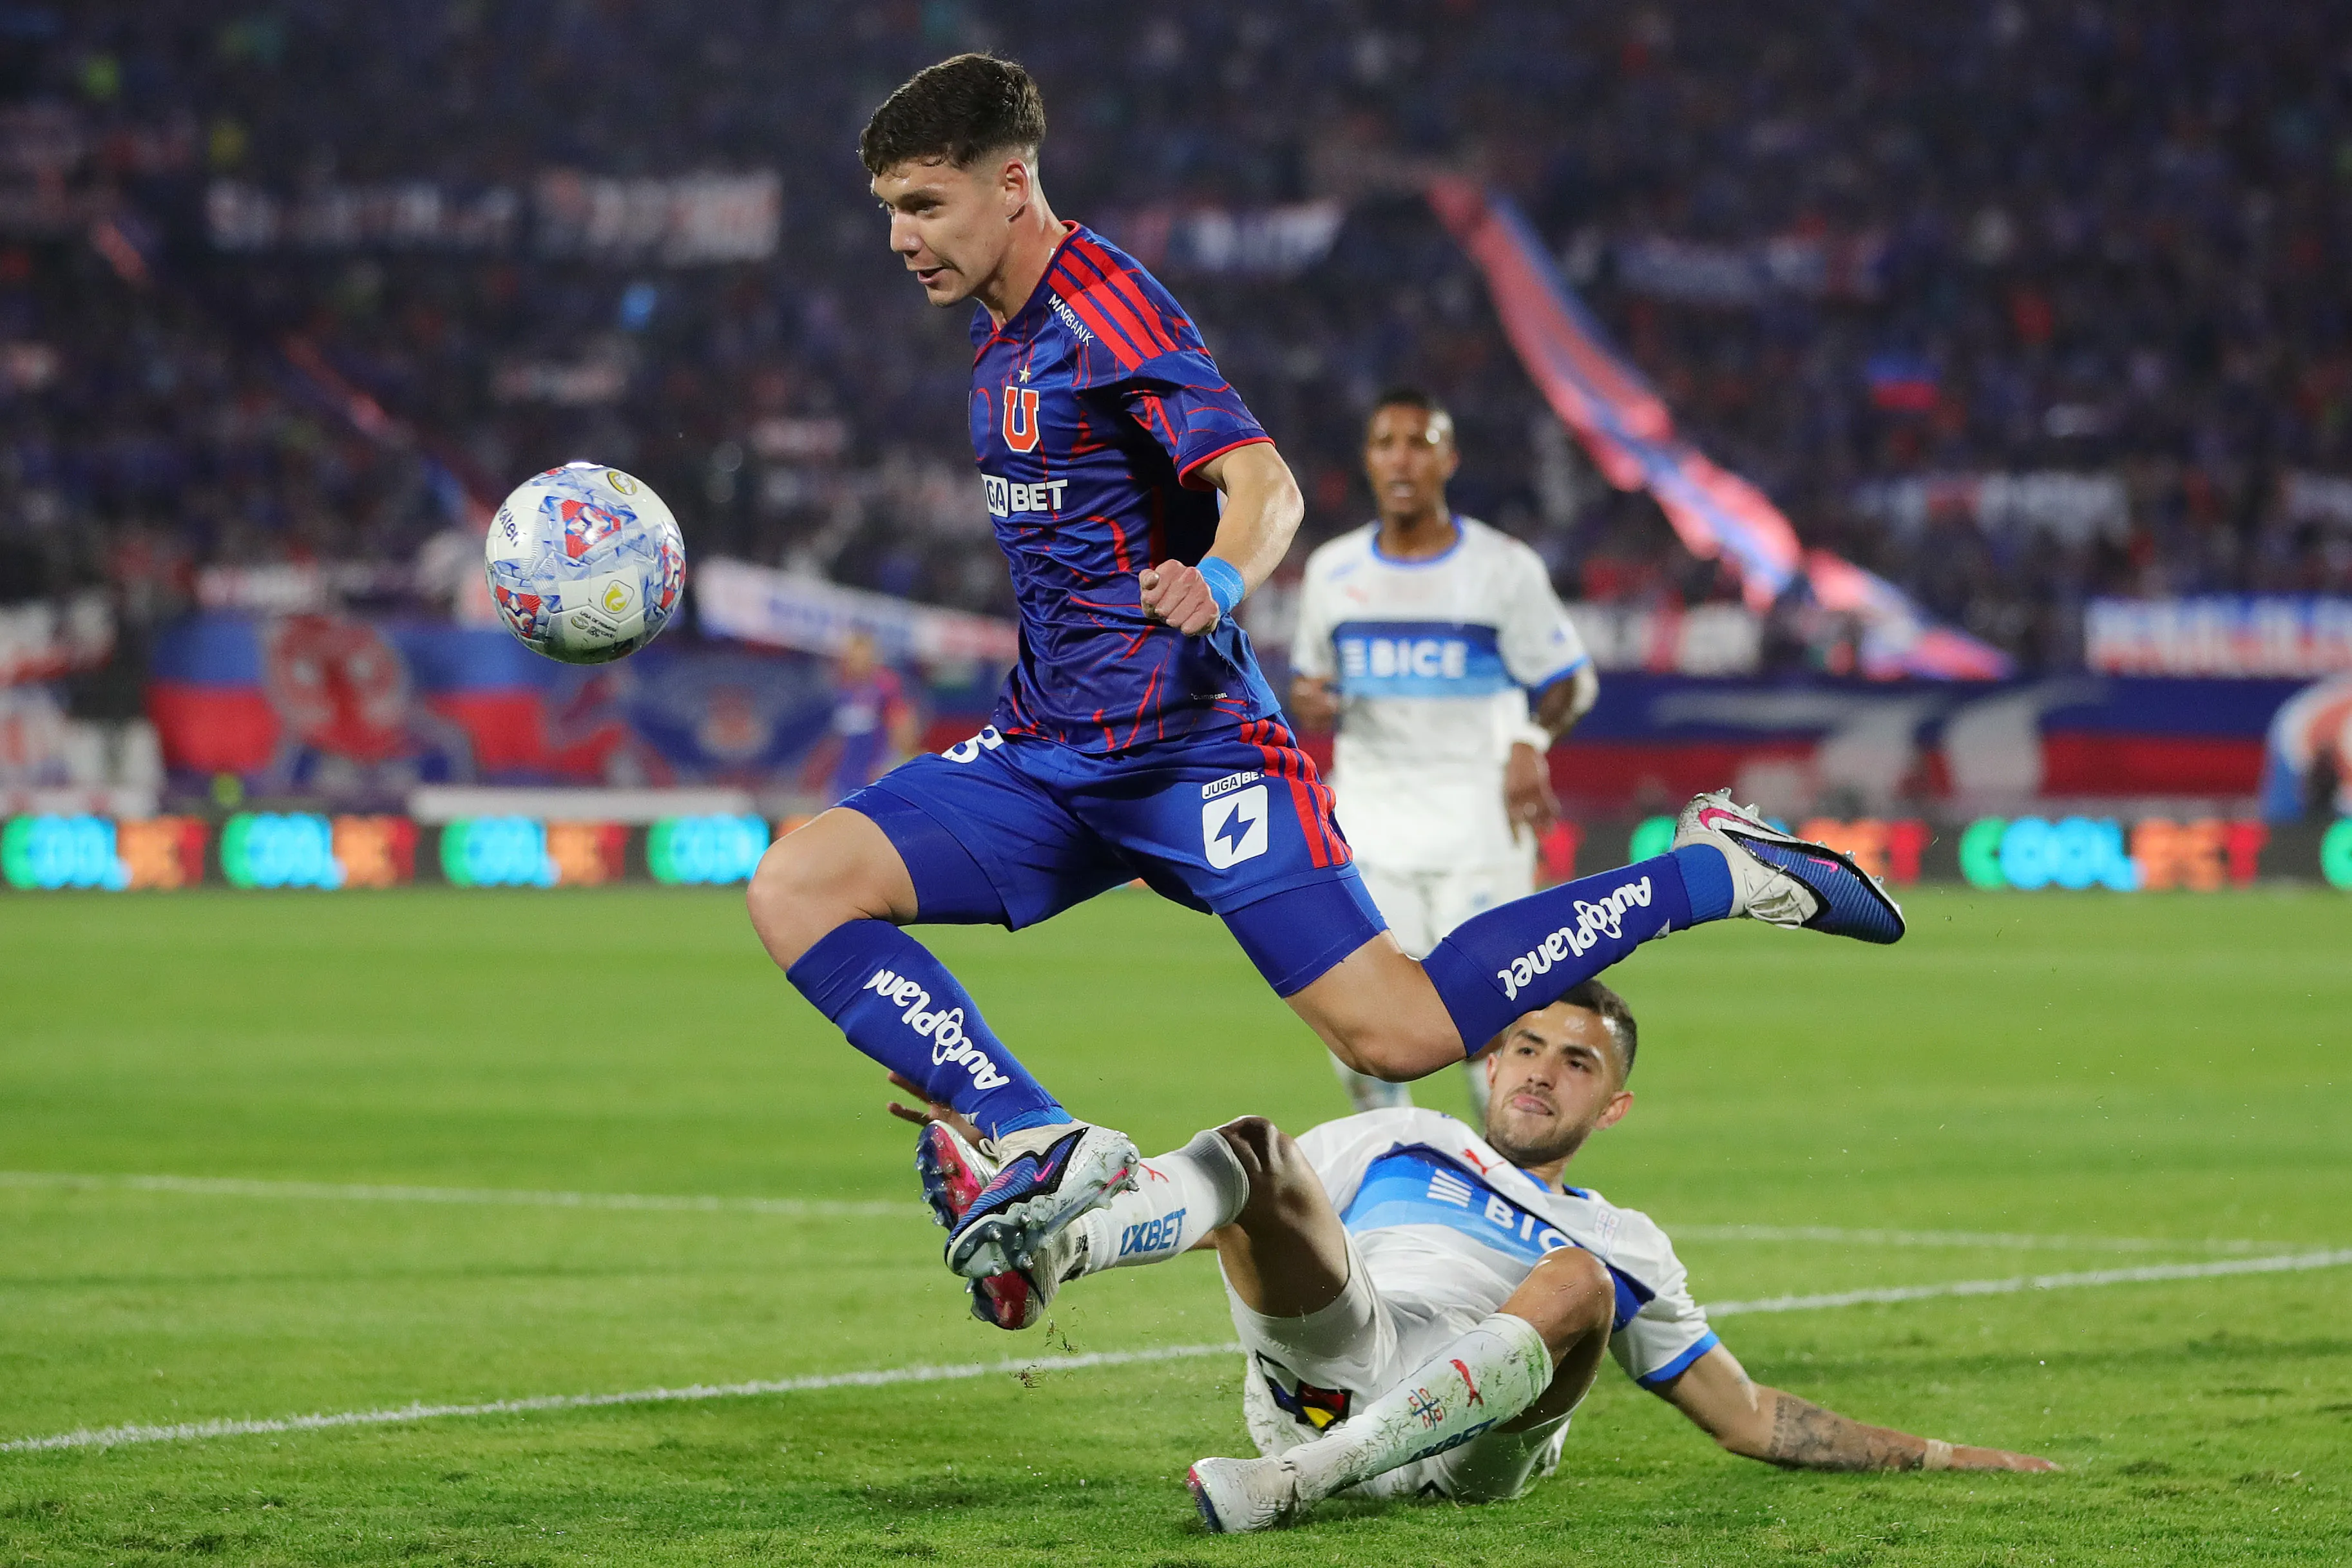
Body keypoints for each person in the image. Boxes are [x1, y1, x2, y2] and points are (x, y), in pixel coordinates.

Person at [745, 53, 1906, 1326]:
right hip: (1048, 753)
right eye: (890, 211)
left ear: (1011, 184)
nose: (901, 238)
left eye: (925, 204)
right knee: (798, 883)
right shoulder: (997, 335)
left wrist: (1219, 576)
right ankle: (1032, 1131)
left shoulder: (1106, 306)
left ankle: (1712, 871)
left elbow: (1266, 484)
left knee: (1394, 1035)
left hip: (1192, 754)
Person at [897, 981, 2058, 1533]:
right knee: (1254, 1148)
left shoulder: (1621, 1237)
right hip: (1337, 1357)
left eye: (1577, 1061)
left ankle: (1302, 1483)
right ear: (1488, 1063)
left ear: (1612, 1105)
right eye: (1524, 1045)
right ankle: (1049, 1246)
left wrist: (1944, 1454)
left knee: (1578, 1284)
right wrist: (1027, 1152)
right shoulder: (1403, 1134)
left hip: (1477, 1441)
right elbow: (1224, 1213)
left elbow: (1748, 1415)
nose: (1541, 1069)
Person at [1290, 388, 1598, 1120]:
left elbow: (1570, 681)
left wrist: (1529, 742)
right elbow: (1309, 683)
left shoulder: (1502, 568)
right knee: (1361, 1035)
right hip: (1369, 834)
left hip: (1479, 834)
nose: (1402, 459)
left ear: (1448, 459)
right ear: (1368, 459)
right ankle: (1396, 1168)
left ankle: (1503, 1183)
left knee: (1493, 1036)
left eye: (1419, 443)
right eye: (1385, 443)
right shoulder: (1332, 571)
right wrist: (1309, 701)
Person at [813, 632, 921, 801]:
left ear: (872, 659)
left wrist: (888, 765)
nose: (856, 663)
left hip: (873, 776)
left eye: (861, 658)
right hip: (843, 777)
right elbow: (841, 736)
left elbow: (903, 729)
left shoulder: (885, 687)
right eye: (852, 658)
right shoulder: (843, 689)